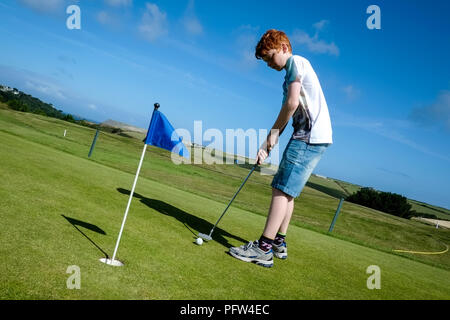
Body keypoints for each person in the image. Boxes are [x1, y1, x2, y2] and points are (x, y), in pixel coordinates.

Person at [229, 29, 333, 268]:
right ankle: (279, 242)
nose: (268, 63)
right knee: (288, 191)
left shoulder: (296, 62)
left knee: (279, 189)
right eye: (264, 60)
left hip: (308, 137)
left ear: (284, 47)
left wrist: (270, 136)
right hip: (312, 136)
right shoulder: (289, 77)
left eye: (269, 56)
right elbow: (290, 112)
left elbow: (292, 103)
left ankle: (263, 248)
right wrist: (269, 144)